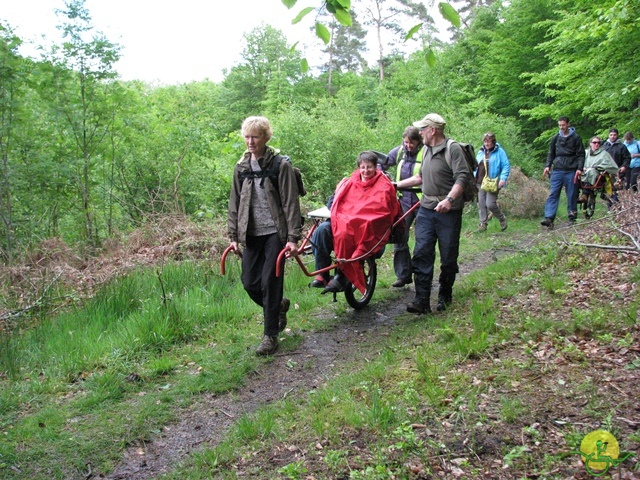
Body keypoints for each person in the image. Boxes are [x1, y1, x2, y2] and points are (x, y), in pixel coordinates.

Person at [227, 116, 302, 356]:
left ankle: (270, 336)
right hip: (251, 233)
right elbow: (234, 203)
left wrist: (292, 237)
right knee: (250, 283)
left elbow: (291, 203)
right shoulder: (241, 167)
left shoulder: (280, 165)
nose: (250, 141)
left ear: (265, 137)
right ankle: (278, 305)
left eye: (255, 136)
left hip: (275, 233)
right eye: (247, 136)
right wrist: (233, 236)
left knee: (270, 282)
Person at [394, 113, 469, 314]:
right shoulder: (425, 149)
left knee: (448, 256)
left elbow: (462, 177)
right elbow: (419, 177)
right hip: (426, 209)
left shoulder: (451, 149)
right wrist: (395, 185)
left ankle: (445, 295)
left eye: (422, 129)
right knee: (421, 253)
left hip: (448, 212)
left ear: (432, 130)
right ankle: (422, 300)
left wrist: (449, 200)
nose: (420, 133)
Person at [310, 151, 400, 294]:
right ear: (358, 167)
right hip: (343, 221)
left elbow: (383, 211)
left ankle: (341, 275)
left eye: (369, 167)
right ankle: (322, 273)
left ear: (376, 167)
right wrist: (342, 211)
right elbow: (334, 202)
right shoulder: (348, 182)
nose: (366, 171)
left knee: (345, 233)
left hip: (364, 227)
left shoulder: (384, 185)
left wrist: (356, 216)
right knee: (322, 230)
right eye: (363, 167)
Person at [379, 126, 423, 287]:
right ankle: (403, 274)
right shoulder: (399, 152)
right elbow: (381, 163)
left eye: (412, 143)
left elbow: (422, 177)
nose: (408, 146)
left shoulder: (426, 153)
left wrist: (395, 184)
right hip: (403, 200)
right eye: (406, 142)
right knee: (399, 236)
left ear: (419, 141)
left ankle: (421, 275)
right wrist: (380, 174)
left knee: (422, 239)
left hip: (422, 201)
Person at [541, 116, 585, 228]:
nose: (561, 127)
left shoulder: (576, 138)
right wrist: (547, 166)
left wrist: (579, 168)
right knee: (553, 193)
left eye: (563, 125)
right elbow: (551, 153)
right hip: (557, 170)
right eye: (560, 125)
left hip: (571, 170)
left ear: (568, 124)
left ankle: (572, 217)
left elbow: (581, 154)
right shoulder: (556, 138)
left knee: (571, 194)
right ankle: (549, 218)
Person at [475, 132, 511, 232]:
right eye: (485, 141)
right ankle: (483, 224)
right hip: (480, 182)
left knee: (490, 204)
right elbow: (475, 165)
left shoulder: (500, 152)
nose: (487, 144)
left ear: (493, 141)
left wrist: (503, 178)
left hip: (493, 182)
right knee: (481, 204)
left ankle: (502, 218)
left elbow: (506, 166)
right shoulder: (481, 151)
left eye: (489, 141)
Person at [578, 136, 619, 202]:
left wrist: (598, 167)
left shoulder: (604, 154)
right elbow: (579, 161)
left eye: (598, 142)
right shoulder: (585, 153)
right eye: (594, 142)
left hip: (598, 174)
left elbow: (610, 165)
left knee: (591, 171)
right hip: (583, 172)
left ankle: (585, 194)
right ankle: (575, 196)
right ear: (590, 143)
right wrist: (582, 167)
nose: (596, 144)